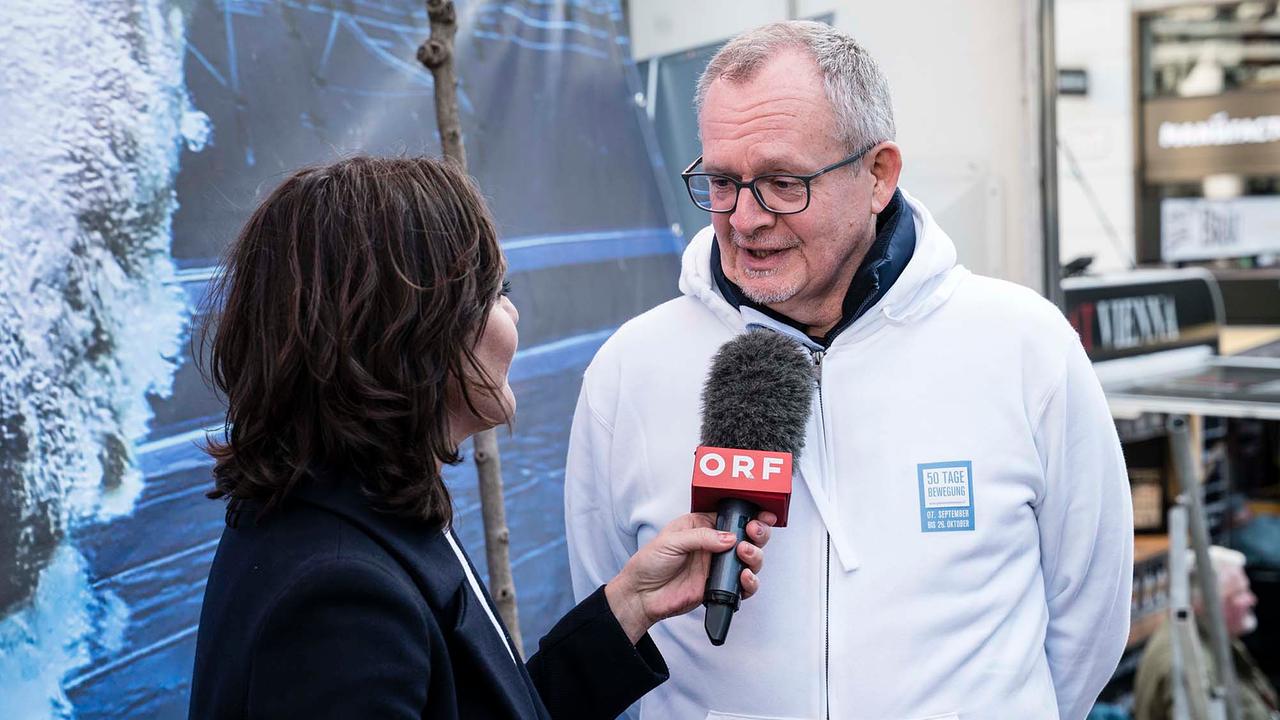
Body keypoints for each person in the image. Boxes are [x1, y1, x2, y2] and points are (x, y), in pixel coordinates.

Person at [564, 20, 1133, 720]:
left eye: (781, 182)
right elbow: (603, 611)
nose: (744, 218)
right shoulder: (630, 369)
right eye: (721, 182)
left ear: (878, 175)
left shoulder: (1023, 346)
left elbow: (1090, 616)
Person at [186, 156, 775, 720]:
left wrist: (631, 603)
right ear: (409, 332)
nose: (513, 317)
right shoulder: (337, 597)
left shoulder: (361, 519)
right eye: (496, 292)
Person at [1133, 546, 1278, 720]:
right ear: (1206, 603)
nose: (1251, 600)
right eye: (1239, 593)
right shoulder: (1192, 667)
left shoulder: (1214, 635)